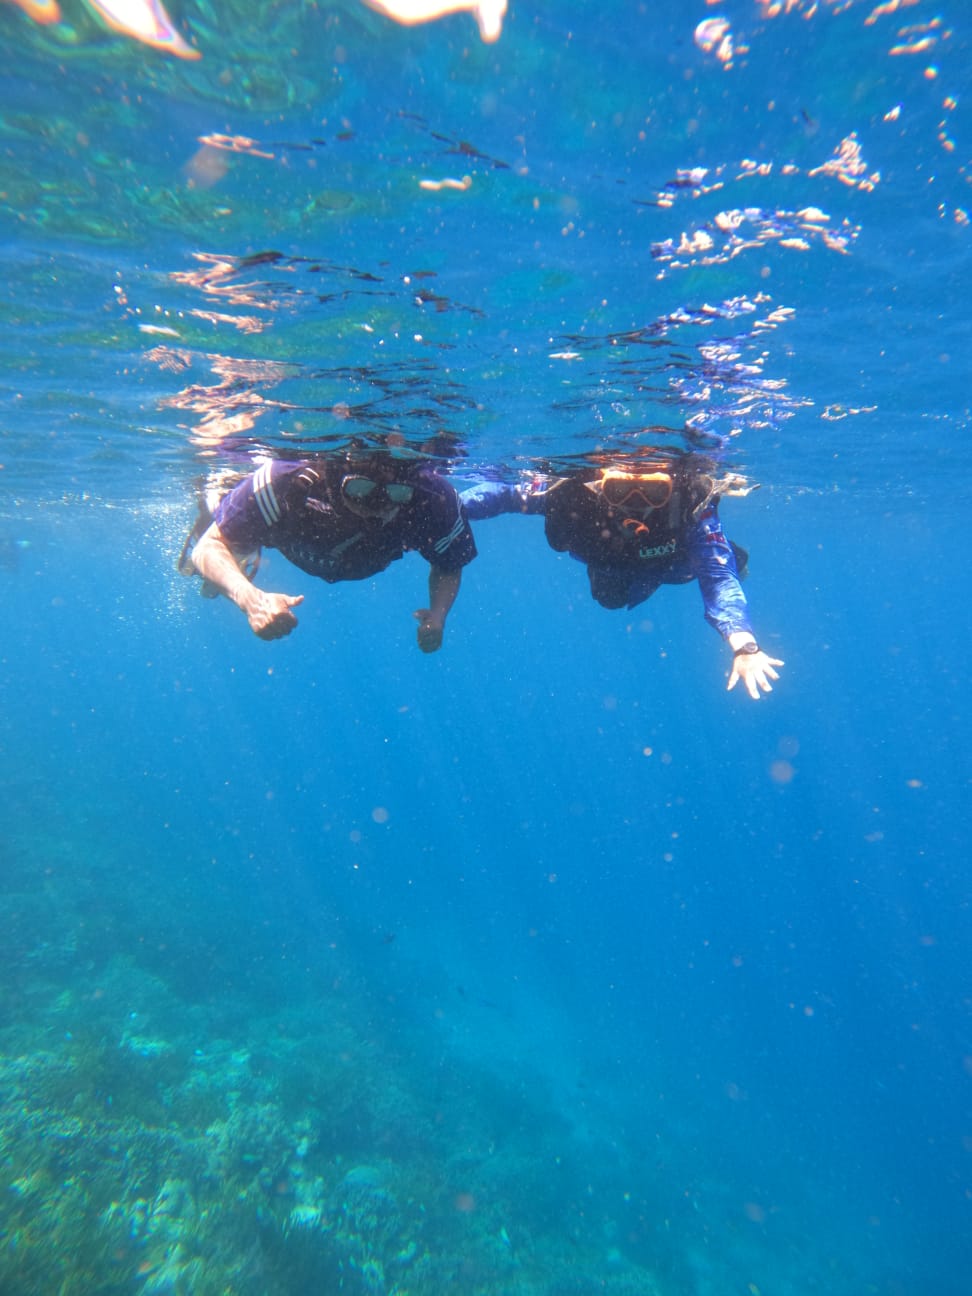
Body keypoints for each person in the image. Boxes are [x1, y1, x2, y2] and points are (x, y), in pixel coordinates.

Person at [462, 459, 784, 699]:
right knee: (609, 599)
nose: (637, 503)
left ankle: (731, 553)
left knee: (722, 560)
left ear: (671, 486)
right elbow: (506, 494)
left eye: (654, 492)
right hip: (612, 564)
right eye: (620, 490)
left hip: (675, 564)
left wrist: (744, 645)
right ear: (600, 485)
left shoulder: (689, 502)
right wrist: (452, 505)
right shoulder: (574, 495)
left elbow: (717, 577)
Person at [182, 451, 476, 652]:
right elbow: (208, 546)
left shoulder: (433, 501)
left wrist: (439, 614)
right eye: (360, 490)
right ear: (333, 480)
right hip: (283, 529)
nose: (375, 507)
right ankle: (223, 508)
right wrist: (250, 599)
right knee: (226, 538)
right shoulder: (287, 481)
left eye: (395, 494)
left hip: (343, 553)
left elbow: (448, 563)